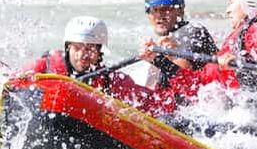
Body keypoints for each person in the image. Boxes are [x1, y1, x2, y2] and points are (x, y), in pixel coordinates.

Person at [25, 15, 172, 116]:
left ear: (100, 52)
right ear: (68, 47)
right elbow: (13, 80)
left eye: (90, 49)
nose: (82, 55)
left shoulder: (112, 81)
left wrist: (160, 61)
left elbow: (158, 104)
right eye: (77, 48)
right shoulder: (47, 66)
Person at [138, 0, 218, 87]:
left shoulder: (193, 32)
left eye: (165, 9)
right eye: (153, 10)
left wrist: (158, 59)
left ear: (180, 10)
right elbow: (151, 94)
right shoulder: (161, 46)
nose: (159, 16)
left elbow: (187, 83)